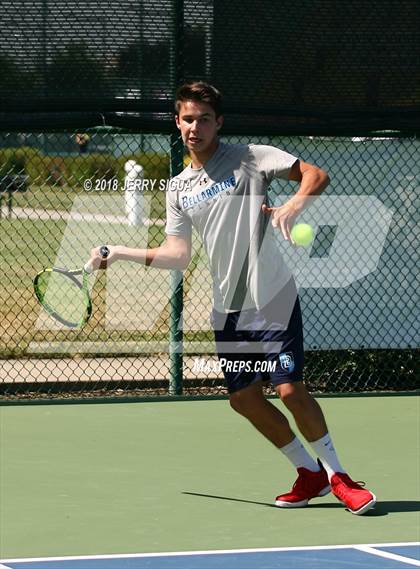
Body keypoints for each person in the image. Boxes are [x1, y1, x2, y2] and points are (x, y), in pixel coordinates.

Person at [89, 81, 376, 515]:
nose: (195, 127)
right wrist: (122, 252)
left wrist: (293, 205)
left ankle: (339, 477)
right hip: (229, 307)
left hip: (273, 296)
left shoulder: (250, 156)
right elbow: (178, 255)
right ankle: (308, 473)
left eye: (205, 119)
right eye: (188, 118)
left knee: (289, 389)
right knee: (243, 399)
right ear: (178, 123)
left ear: (218, 122)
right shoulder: (178, 188)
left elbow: (316, 174)